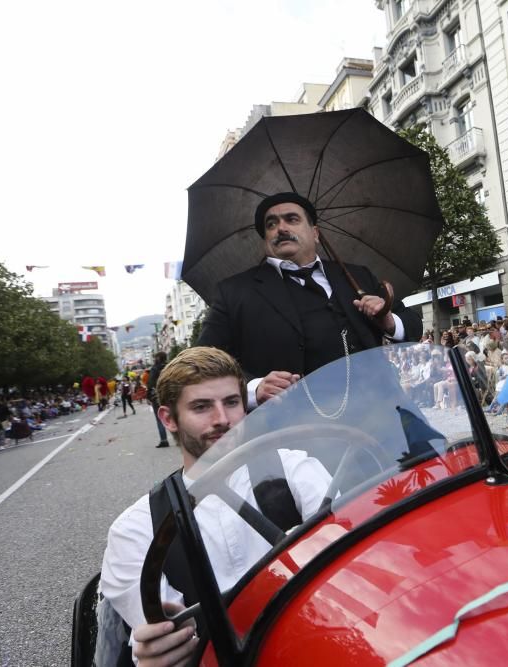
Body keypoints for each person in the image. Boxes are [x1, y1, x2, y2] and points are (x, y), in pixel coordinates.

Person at [100, 347, 331, 665]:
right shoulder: (135, 529)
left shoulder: (294, 468)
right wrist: (159, 654)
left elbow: (347, 550)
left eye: (232, 402)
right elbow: (169, 641)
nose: (222, 419)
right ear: (168, 418)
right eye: (201, 407)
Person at [197, 192, 422, 409]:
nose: (281, 228)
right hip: (296, 430)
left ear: (315, 233)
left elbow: (413, 324)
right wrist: (254, 389)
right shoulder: (234, 292)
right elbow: (204, 361)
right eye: (271, 224)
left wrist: (389, 322)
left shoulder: (356, 276)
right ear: (265, 241)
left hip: (385, 413)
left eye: (292, 219)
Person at [147, 352, 170, 448]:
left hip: (157, 396)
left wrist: (148, 396)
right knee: (176, 416)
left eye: (155, 357)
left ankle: (164, 440)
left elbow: (151, 383)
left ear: (159, 358)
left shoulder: (155, 368)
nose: (154, 359)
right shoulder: (169, 366)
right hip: (170, 394)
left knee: (160, 418)